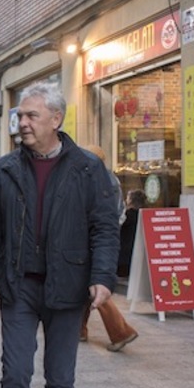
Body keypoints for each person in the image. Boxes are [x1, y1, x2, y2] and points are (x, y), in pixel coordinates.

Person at [0, 83, 119, 388]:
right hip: (19, 285)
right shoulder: (6, 168)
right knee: (15, 372)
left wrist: (102, 277)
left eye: (31, 116)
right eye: (20, 116)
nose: (22, 122)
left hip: (68, 286)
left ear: (56, 119)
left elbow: (104, 228)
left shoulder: (87, 168)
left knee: (60, 376)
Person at [79, 145, 139, 352]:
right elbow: (120, 211)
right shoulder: (112, 179)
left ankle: (121, 331)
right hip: (103, 238)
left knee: (93, 284)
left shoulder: (95, 179)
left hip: (92, 239)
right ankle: (79, 330)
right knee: (84, 284)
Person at [119, 189, 145, 277]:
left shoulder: (126, 215)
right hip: (139, 253)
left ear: (130, 200)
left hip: (125, 255)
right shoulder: (143, 215)